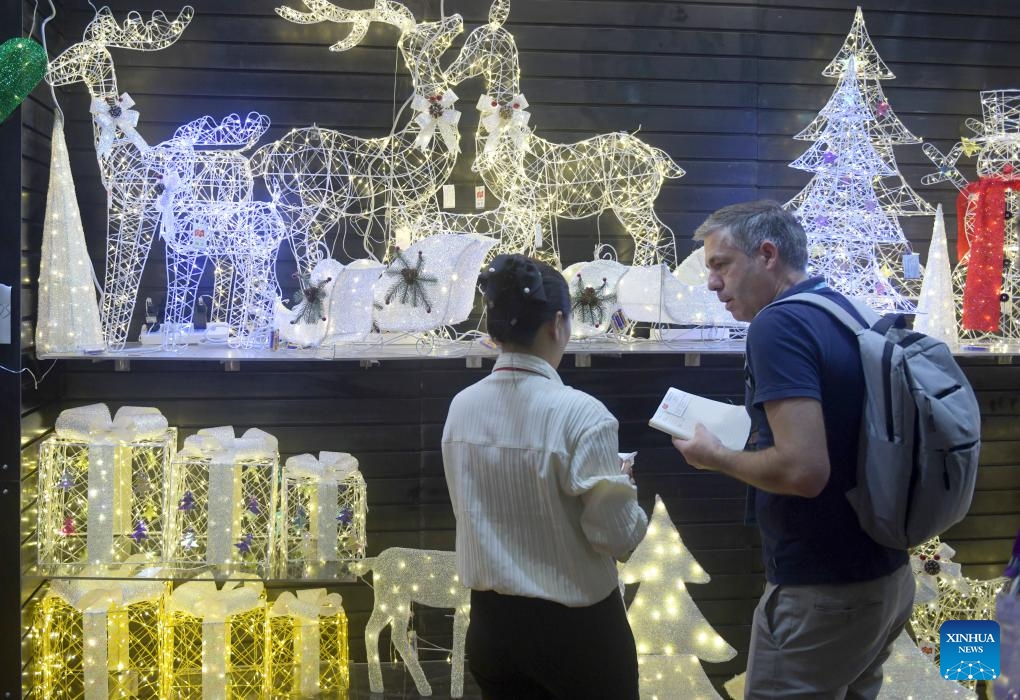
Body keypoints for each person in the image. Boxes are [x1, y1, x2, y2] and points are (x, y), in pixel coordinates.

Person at [672, 200, 913, 699]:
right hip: (884, 578)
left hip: (820, 592)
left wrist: (713, 455)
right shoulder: (846, 310)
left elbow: (804, 470)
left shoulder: (777, 325)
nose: (712, 282)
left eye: (721, 265)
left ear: (767, 254)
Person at [442, 254, 648, 700]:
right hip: (578, 636)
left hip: (492, 629)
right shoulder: (583, 415)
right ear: (557, 323)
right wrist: (624, 485)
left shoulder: (461, 407)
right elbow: (619, 539)